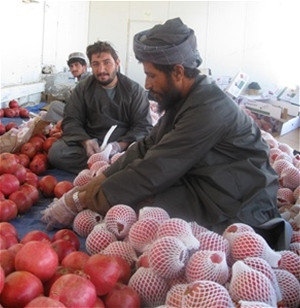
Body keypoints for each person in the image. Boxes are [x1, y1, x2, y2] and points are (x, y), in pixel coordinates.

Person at [41, 18, 292, 250]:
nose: (147, 84)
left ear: (178, 72)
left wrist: (82, 201)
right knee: (130, 196)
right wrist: (100, 179)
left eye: (151, 75)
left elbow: (155, 168)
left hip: (239, 199)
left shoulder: (208, 108)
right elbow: (148, 145)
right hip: (207, 179)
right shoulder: (185, 98)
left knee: (146, 211)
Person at [47, 41, 153, 174]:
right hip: (92, 143)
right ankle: (112, 169)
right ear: (91, 65)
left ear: (117, 63)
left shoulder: (134, 90)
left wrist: (119, 146)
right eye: (96, 64)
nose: (101, 70)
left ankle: (110, 165)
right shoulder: (83, 88)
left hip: (122, 143)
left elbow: (143, 126)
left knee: (148, 154)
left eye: (107, 62)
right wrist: (85, 141)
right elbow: (72, 119)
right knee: (57, 153)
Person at [42, 52, 90, 123]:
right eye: (71, 66)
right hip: (82, 113)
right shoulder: (82, 79)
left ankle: (46, 127)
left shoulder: (88, 80)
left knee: (54, 106)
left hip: (86, 117)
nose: (74, 69)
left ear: (84, 66)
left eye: (77, 65)